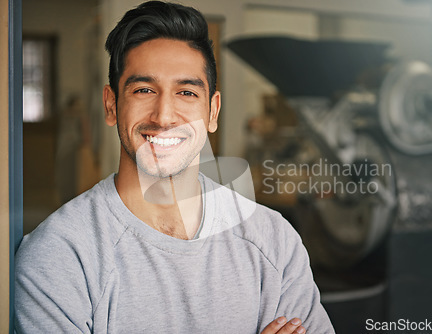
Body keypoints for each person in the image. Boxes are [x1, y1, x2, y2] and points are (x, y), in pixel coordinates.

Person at [14, 1, 335, 333]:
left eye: (186, 92)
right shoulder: (59, 257)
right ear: (111, 105)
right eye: (144, 90)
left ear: (212, 112)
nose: (164, 115)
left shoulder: (273, 241)